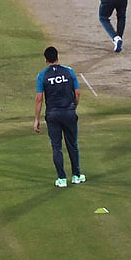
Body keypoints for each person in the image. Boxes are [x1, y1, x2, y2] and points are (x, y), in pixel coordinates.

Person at [33, 46, 85, 188]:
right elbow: (78, 92)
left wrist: (36, 119)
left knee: (57, 147)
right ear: (57, 57)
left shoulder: (42, 76)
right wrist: (74, 106)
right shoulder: (69, 71)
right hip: (69, 112)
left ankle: (61, 179)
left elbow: (39, 99)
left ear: (46, 60)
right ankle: (76, 175)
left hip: (53, 115)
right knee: (72, 145)